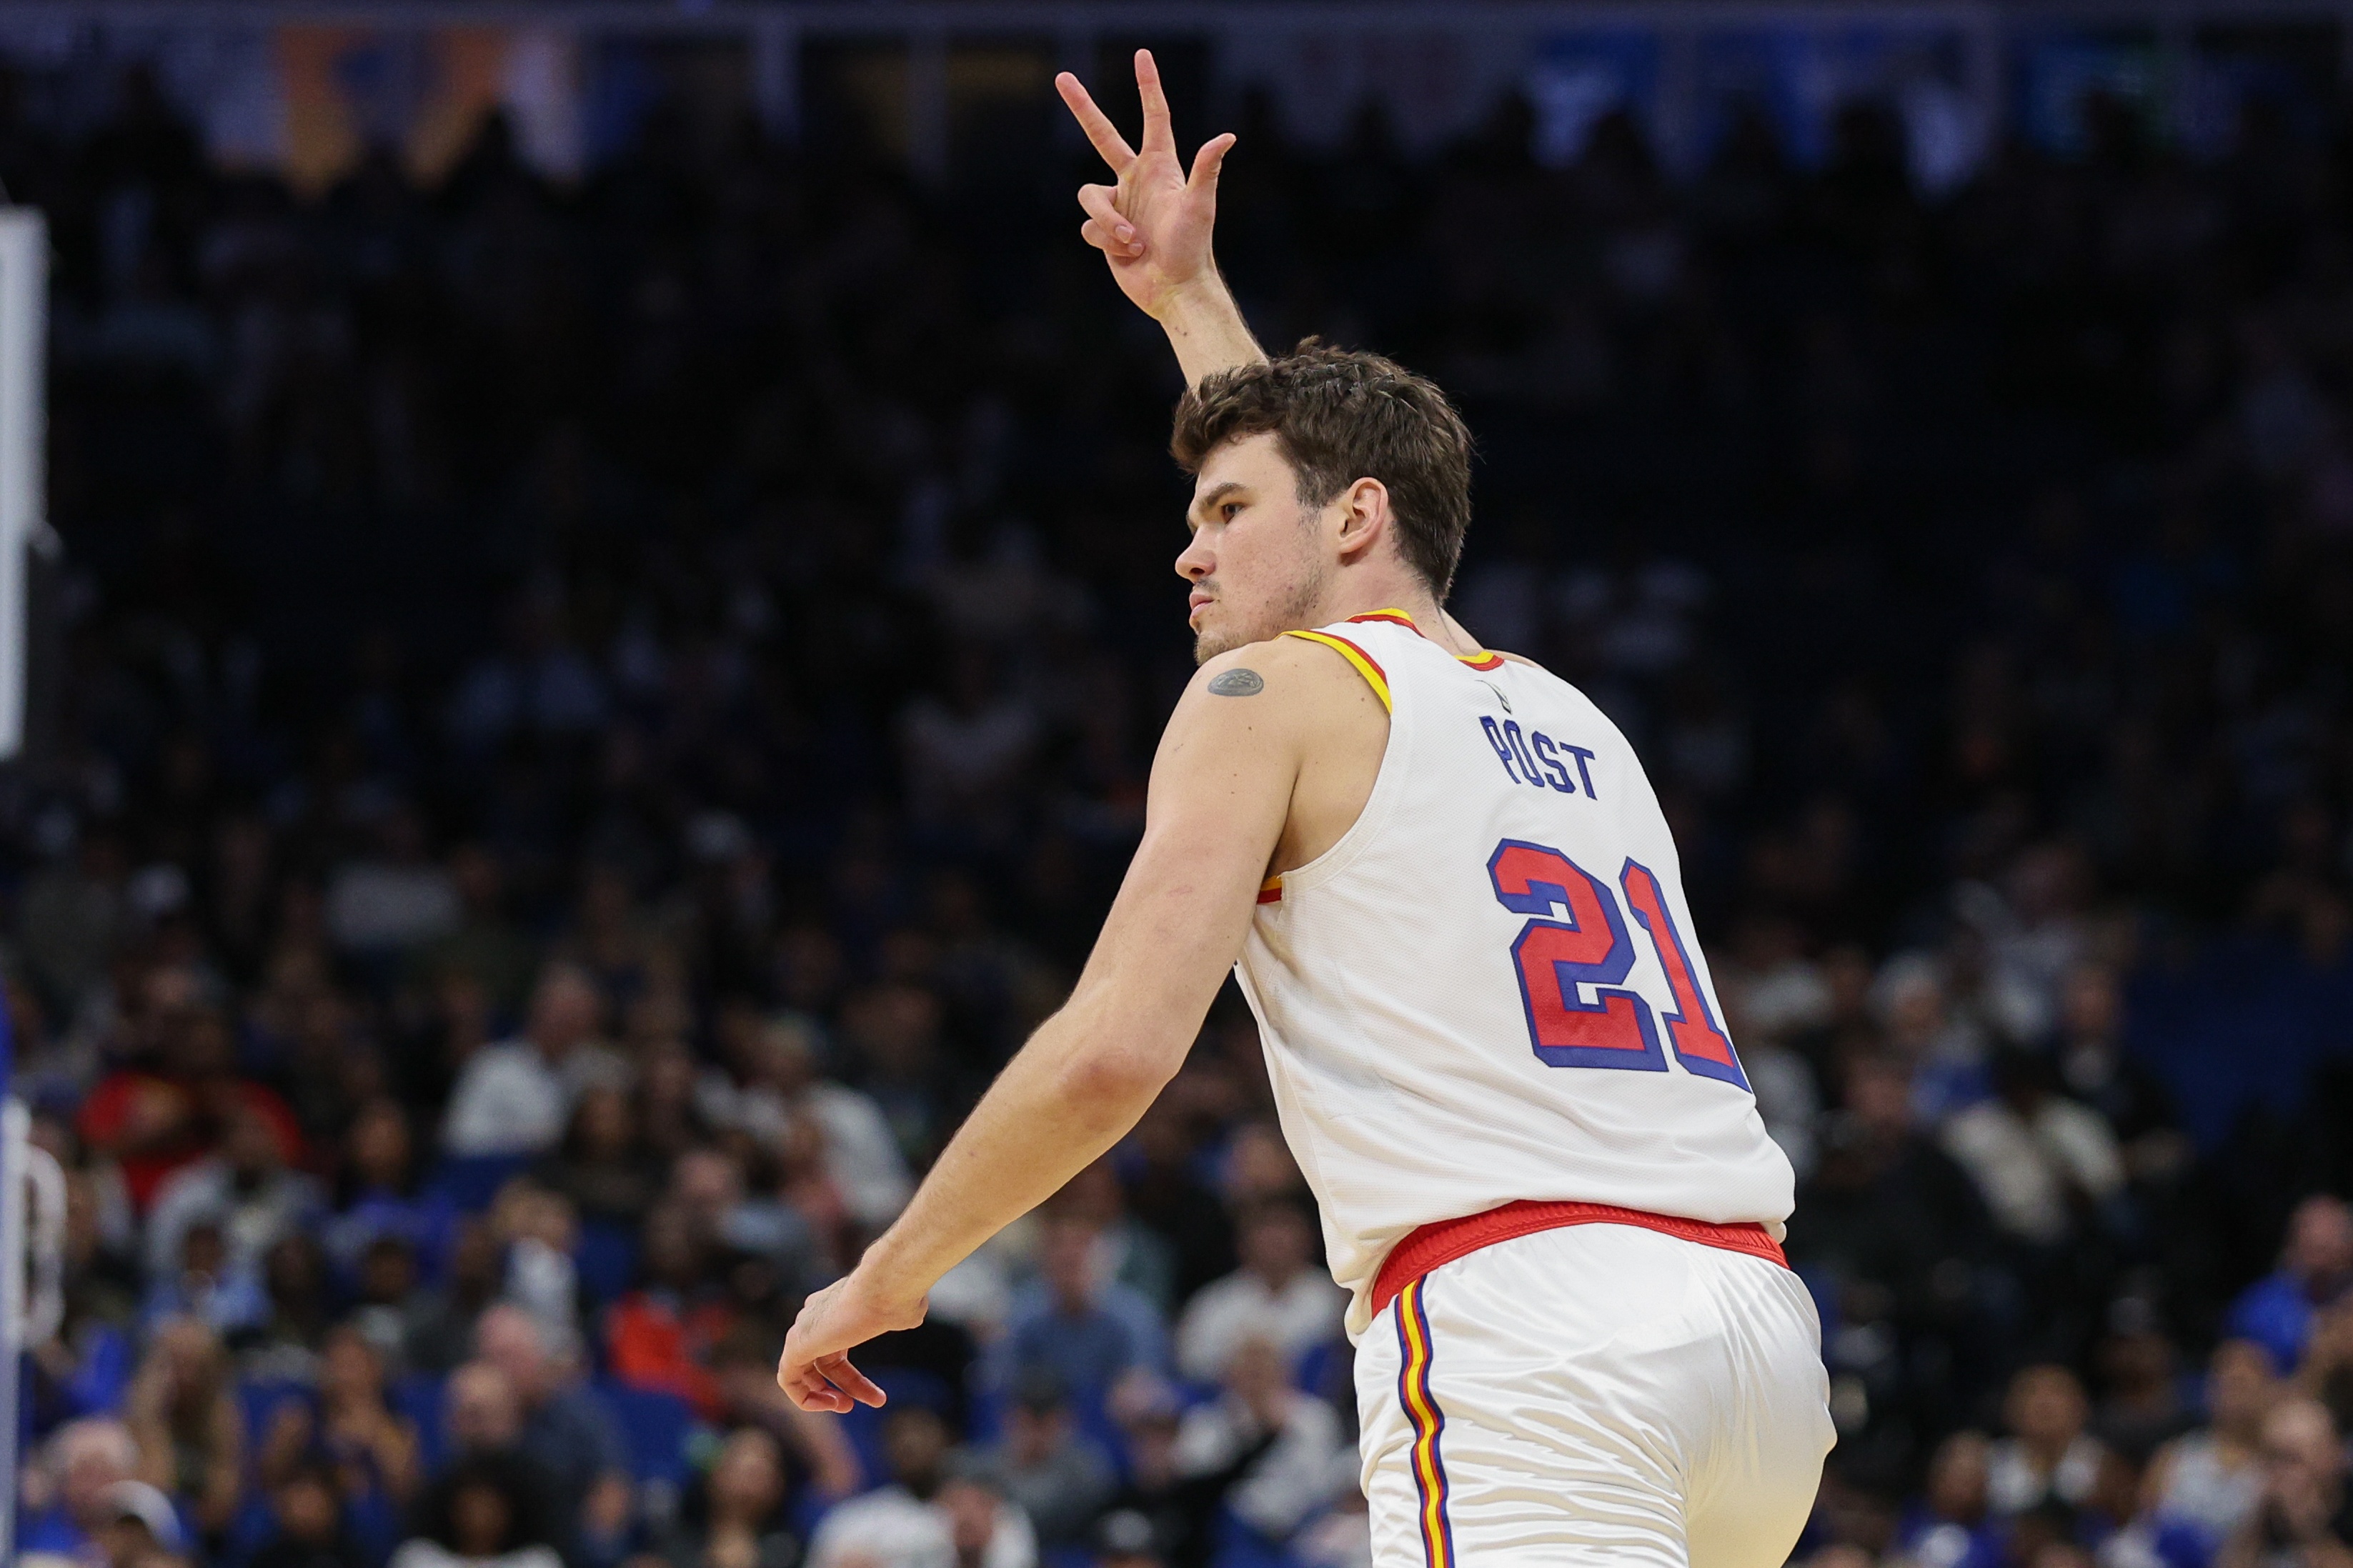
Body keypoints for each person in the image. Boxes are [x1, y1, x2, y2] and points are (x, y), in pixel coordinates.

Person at [777, 48, 1830, 1568]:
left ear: (1354, 520)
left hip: (1531, 1330)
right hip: (1752, 1342)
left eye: (1220, 515)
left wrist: (891, 1270)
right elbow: (1317, 485)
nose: (1186, 553)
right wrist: (1188, 301)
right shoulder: (1569, 717)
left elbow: (1114, 1052)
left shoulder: (1260, 696)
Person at [1173, 1196, 1345, 1384]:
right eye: (1265, 1228)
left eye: (1285, 1227)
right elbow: (1191, 1365)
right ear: (1242, 1241)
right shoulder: (1215, 1302)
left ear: (1309, 1238)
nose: (1275, 1238)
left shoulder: (1334, 1297)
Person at [2229, 1197, 2353, 1377]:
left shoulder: (2348, 1300)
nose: (2323, 1261)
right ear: (2293, 1245)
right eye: (2314, 1248)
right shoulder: (2259, 1308)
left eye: (2330, 1246)